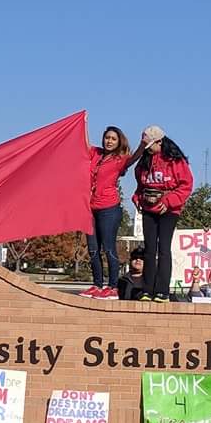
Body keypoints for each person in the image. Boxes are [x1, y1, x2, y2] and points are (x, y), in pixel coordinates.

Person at [130, 126, 192, 302]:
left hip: (168, 210)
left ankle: (162, 291)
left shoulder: (175, 161)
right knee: (149, 249)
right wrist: (137, 198)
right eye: (145, 145)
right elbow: (140, 186)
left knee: (163, 248)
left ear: (160, 142)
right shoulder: (144, 162)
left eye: (150, 145)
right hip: (149, 209)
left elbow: (186, 185)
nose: (148, 148)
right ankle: (147, 290)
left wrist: (168, 201)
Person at [81, 125, 132, 299]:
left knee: (108, 248)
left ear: (119, 142)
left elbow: (135, 158)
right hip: (90, 208)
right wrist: (83, 124)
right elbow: (82, 144)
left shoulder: (120, 159)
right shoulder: (95, 153)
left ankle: (113, 287)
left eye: (113, 139)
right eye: (107, 138)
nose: (109, 141)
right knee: (93, 249)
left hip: (109, 208)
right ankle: (96, 284)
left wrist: (143, 144)